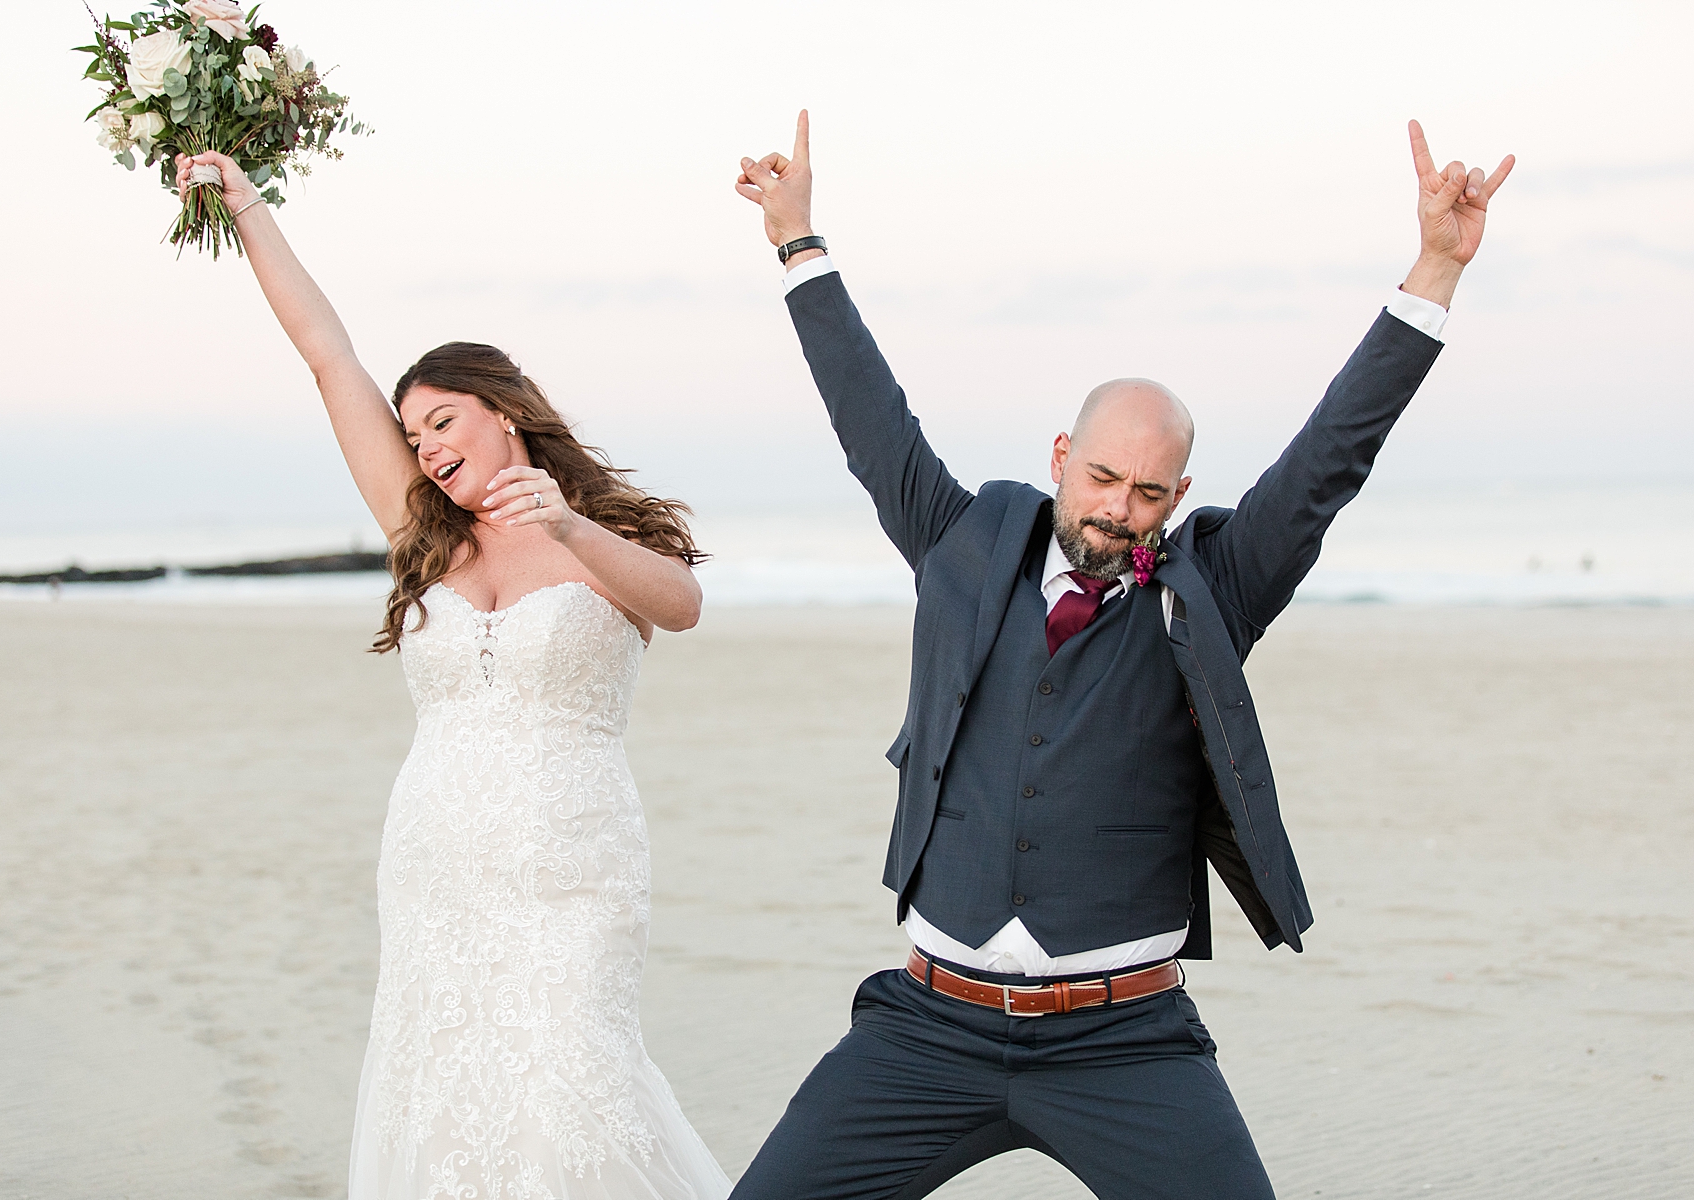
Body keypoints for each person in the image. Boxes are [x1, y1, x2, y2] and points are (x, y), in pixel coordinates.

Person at [728, 114, 1513, 1198]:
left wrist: (1433, 268)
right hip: (929, 1028)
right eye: (1101, 479)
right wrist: (797, 239)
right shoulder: (958, 545)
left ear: (1179, 498)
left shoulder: (1216, 586)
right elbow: (871, 416)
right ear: (1061, 457)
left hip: (1124, 1043)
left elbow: (1334, 453)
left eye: (1149, 494)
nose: (1117, 511)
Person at [175, 151, 733, 1200]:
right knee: (443, 1099)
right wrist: (243, 200)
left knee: (574, 1094)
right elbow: (326, 355)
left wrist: (567, 526)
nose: (426, 448)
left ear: (504, 412)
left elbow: (682, 605)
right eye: (415, 432)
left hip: (574, 867)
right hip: (436, 860)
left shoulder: (599, 532)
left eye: (444, 422)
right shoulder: (423, 533)